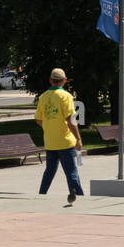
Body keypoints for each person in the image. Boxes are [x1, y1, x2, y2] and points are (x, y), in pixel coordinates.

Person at [36, 68, 85, 204]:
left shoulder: (43, 97)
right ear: (64, 81)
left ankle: (41, 195)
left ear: (50, 80)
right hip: (65, 141)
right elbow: (71, 120)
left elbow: (39, 119)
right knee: (71, 172)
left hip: (50, 142)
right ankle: (78, 197)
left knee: (49, 171)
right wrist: (78, 139)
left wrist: (49, 127)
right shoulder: (66, 96)